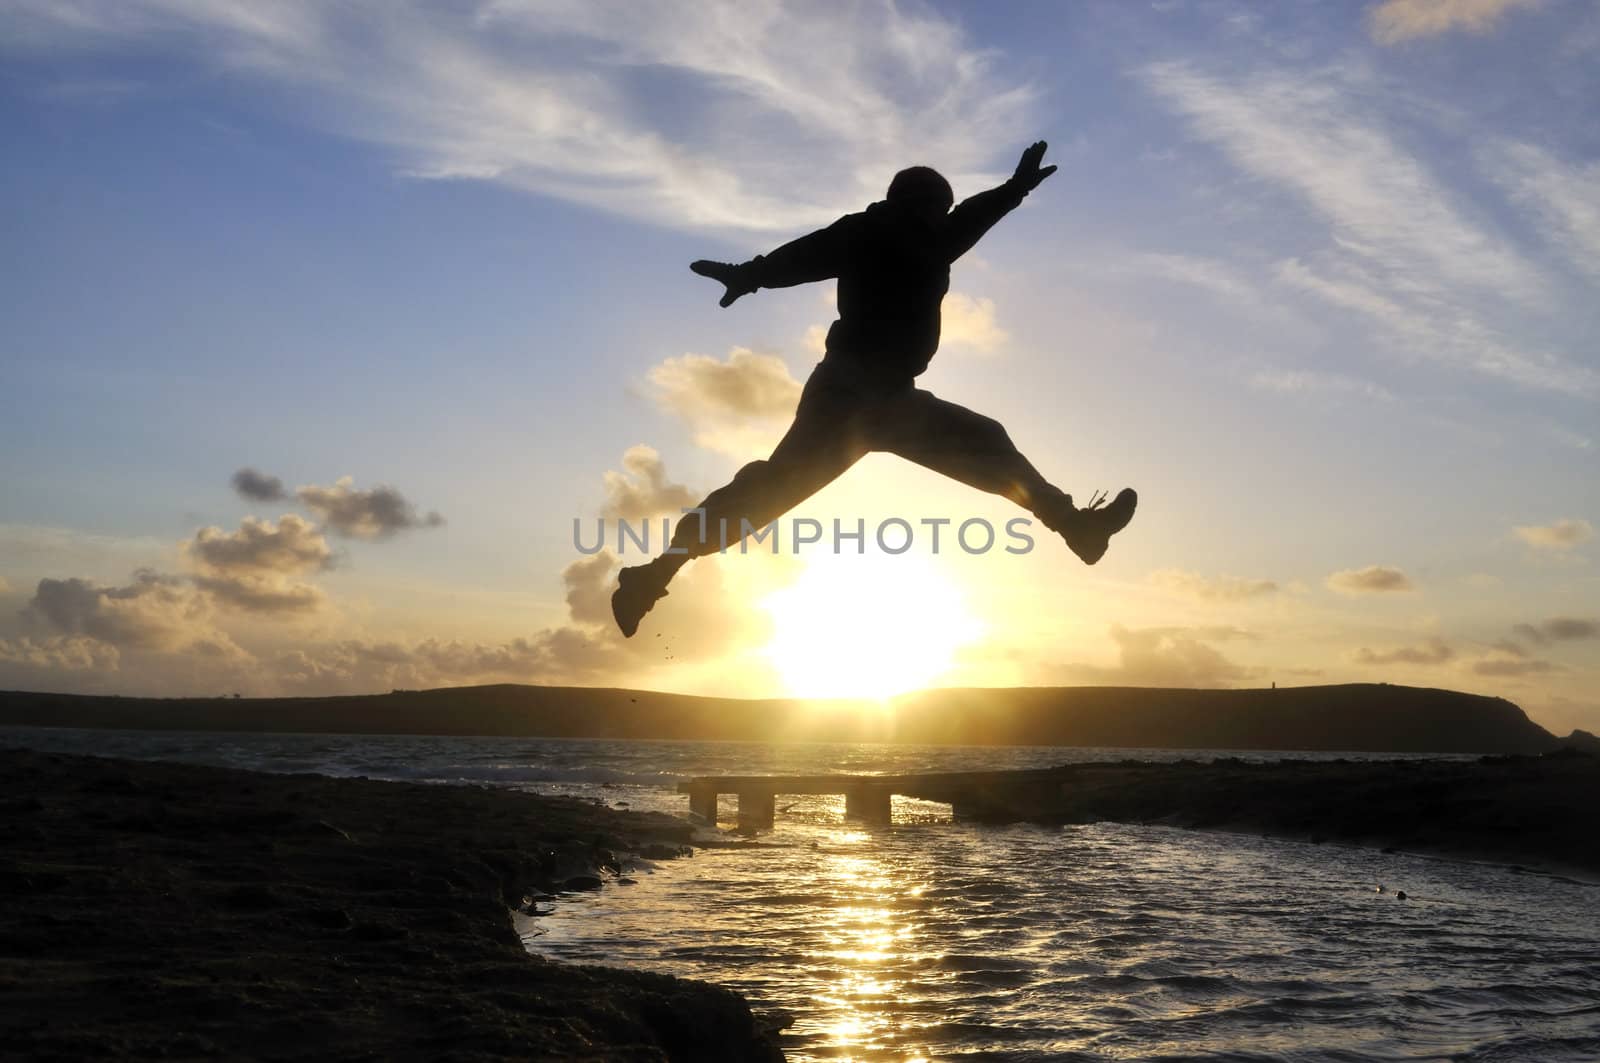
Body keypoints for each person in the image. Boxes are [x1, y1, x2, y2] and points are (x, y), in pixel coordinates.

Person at [612, 141, 1136, 637]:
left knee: (986, 442)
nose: (942, 217)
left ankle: (1076, 527)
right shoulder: (872, 231)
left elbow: (970, 220)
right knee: (768, 490)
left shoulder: (934, 240)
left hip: (893, 397)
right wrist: (749, 275)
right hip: (848, 394)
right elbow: (805, 255)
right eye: (937, 207)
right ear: (911, 204)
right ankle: (654, 573)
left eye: (944, 210)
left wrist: (1015, 188)